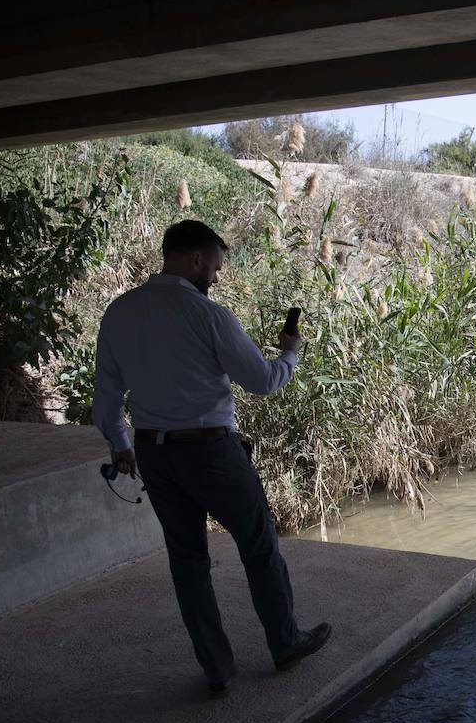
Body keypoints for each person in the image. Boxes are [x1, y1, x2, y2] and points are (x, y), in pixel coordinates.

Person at [92, 219, 329, 698]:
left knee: (187, 560)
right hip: (209, 450)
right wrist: (291, 355)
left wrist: (120, 444)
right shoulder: (208, 315)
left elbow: (107, 398)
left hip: (152, 453)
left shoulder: (118, 313)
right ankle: (284, 643)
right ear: (196, 259)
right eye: (215, 266)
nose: (216, 278)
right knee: (258, 541)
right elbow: (263, 380)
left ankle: (217, 667)